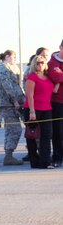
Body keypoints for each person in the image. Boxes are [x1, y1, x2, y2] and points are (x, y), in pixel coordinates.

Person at [0, 50, 25, 165]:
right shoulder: (3, 69)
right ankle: (9, 156)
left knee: (10, 130)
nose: (15, 60)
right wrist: (15, 100)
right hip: (7, 104)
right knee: (15, 130)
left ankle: (8, 155)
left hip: (11, 103)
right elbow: (7, 86)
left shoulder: (11, 68)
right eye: (14, 57)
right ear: (7, 56)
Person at [23, 55, 55, 168]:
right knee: (32, 136)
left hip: (47, 109)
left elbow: (54, 90)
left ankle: (45, 162)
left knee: (47, 136)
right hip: (33, 109)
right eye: (37, 63)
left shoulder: (48, 78)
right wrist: (32, 111)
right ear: (34, 65)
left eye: (42, 62)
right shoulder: (31, 77)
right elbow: (29, 96)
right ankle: (34, 162)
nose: (40, 65)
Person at [47, 39, 63, 167]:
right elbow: (56, 77)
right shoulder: (52, 62)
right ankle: (58, 156)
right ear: (60, 47)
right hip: (57, 102)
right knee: (58, 131)